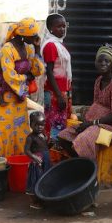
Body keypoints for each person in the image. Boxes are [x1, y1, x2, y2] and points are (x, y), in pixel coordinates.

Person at [58, 43, 112, 160]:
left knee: (83, 139)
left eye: (107, 61)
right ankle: (81, 165)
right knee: (64, 136)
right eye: (100, 61)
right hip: (95, 124)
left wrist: (91, 123)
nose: (103, 64)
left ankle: (90, 172)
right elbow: (96, 104)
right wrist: (87, 121)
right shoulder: (98, 81)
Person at [0, 17, 45, 157]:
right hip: (7, 99)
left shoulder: (28, 48)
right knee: (5, 132)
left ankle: (19, 164)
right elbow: (10, 76)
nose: (35, 37)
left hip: (20, 100)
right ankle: (2, 164)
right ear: (24, 35)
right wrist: (26, 78)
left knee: (21, 130)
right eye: (32, 35)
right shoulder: (7, 49)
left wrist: (37, 48)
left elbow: (37, 70)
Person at [41, 13, 72, 144]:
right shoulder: (51, 46)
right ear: (50, 28)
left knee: (60, 123)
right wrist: (59, 95)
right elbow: (49, 71)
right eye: (59, 26)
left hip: (61, 91)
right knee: (55, 124)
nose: (62, 29)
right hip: (54, 93)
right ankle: (53, 156)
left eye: (64, 26)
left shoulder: (59, 44)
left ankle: (57, 155)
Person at [25, 111, 51, 209]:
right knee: (36, 180)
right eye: (37, 125)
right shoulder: (30, 138)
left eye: (42, 125)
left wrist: (50, 143)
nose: (40, 127)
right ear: (31, 124)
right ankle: (34, 202)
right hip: (37, 164)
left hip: (46, 161)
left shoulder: (43, 135)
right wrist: (34, 157)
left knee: (45, 178)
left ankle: (44, 198)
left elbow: (45, 147)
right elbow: (26, 150)